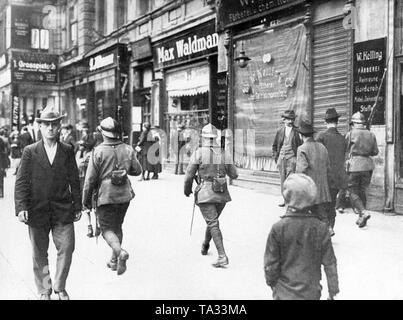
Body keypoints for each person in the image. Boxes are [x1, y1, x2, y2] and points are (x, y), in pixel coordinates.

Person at [14, 106, 82, 300]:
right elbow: (21, 181)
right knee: (39, 254)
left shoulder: (67, 151)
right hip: (37, 210)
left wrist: (77, 205)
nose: (51, 129)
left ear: (59, 126)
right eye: (47, 125)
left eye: (54, 124)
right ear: (41, 127)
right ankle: (45, 289)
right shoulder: (30, 151)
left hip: (62, 209)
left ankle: (60, 286)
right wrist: (21, 207)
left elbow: (74, 179)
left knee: (67, 248)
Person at [264, 173, 339, 300]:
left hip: (283, 293)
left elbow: (271, 265)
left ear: (287, 196)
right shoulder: (321, 228)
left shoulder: (278, 228)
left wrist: (273, 285)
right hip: (311, 293)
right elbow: (330, 263)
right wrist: (333, 291)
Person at [82, 117, 142, 275]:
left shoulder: (98, 151)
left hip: (106, 196)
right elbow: (137, 171)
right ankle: (114, 260)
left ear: (102, 133)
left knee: (106, 229)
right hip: (124, 195)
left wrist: (85, 201)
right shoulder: (128, 149)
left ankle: (120, 252)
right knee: (118, 226)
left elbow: (89, 180)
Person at [184, 123, 238, 268]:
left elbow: (189, 175)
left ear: (203, 137)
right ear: (215, 138)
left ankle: (222, 256)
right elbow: (234, 174)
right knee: (213, 220)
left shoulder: (199, 152)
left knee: (212, 222)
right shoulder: (224, 152)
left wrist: (187, 190)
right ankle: (206, 245)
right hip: (222, 193)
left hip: (205, 193)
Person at [296, 121, 333, 236]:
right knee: (321, 211)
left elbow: (301, 170)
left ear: (301, 135)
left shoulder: (302, 148)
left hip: (309, 187)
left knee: (303, 212)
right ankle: (328, 228)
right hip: (322, 187)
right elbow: (328, 167)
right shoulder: (322, 147)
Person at [316, 108, 348, 235]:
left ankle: (326, 228)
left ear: (326, 122)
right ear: (337, 122)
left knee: (321, 204)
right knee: (332, 203)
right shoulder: (343, 139)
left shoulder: (321, 137)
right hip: (338, 178)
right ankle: (330, 227)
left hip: (324, 177)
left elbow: (317, 157)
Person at [345, 112, 379, 228]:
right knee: (362, 191)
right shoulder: (371, 134)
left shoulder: (350, 134)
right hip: (368, 166)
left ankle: (363, 212)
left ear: (354, 123)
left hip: (354, 166)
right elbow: (375, 152)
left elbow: (345, 149)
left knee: (352, 191)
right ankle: (362, 217)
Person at [272, 110, 302, 207]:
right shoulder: (280, 131)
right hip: (281, 159)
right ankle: (285, 200)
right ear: (284, 120)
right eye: (288, 119)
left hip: (292, 159)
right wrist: (276, 158)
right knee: (283, 181)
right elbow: (275, 146)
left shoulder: (297, 131)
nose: (290, 121)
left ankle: (292, 202)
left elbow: (301, 146)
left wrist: (297, 159)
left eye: (292, 119)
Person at [75, 140, 100, 238]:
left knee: (89, 206)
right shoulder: (86, 155)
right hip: (87, 182)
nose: (80, 147)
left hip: (86, 183)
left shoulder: (85, 156)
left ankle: (93, 226)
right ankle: (93, 226)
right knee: (90, 207)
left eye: (82, 145)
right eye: (80, 145)